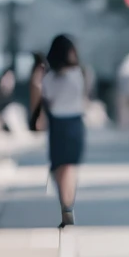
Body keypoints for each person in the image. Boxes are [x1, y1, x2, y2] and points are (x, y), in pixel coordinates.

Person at [40, 33, 88, 228]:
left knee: (60, 166)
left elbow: (46, 100)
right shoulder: (80, 73)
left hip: (57, 123)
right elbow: (84, 94)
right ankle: (68, 205)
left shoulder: (48, 77)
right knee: (70, 166)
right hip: (74, 122)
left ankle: (65, 205)